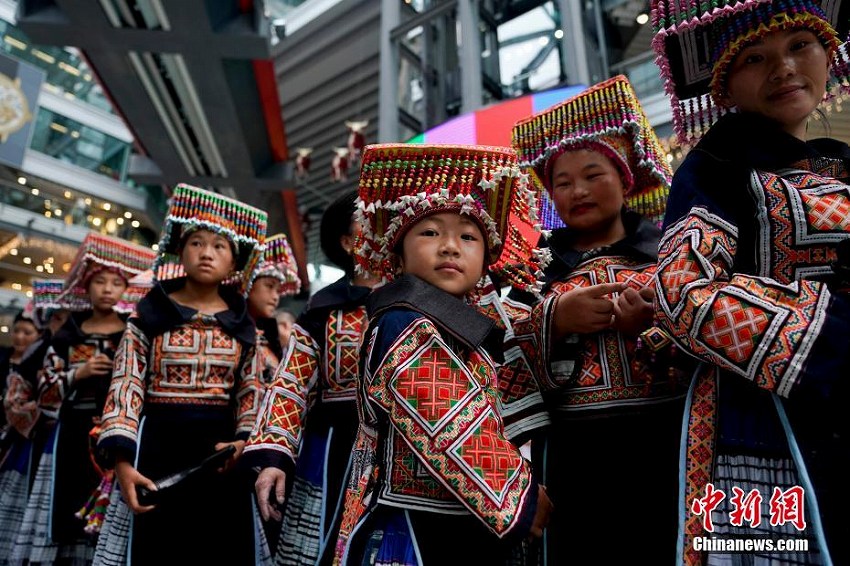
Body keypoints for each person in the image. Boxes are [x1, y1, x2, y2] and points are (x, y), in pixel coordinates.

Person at [651, 0, 850, 562]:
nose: (784, 68)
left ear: (829, 54)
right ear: (724, 87)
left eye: (799, 46)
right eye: (755, 58)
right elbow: (681, 292)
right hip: (763, 420)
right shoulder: (716, 166)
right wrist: (830, 341)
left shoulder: (838, 162)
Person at [330, 143, 553, 564]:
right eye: (430, 233)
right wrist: (518, 497)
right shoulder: (399, 320)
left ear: (486, 260)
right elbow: (445, 417)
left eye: (468, 236)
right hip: (412, 526)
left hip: (466, 522)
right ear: (398, 254)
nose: (450, 246)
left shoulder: (473, 321)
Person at [507, 75, 686, 564]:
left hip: (667, 440)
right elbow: (500, 356)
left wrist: (649, 330)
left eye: (593, 175)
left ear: (626, 180)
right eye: (562, 183)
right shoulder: (534, 271)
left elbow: (710, 339)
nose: (578, 191)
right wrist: (554, 319)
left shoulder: (671, 255)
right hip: (572, 453)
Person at [92, 184, 269, 565]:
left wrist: (243, 442)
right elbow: (125, 386)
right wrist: (122, 462)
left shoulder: (244, 328)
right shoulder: (147, 317)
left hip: (221, 458)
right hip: (155, 450)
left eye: (219, 246)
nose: (206, 252)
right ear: (180, 251)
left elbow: (252, 393)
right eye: (196, 243)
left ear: (234, 263)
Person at [245, 189, 381, 565]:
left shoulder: (418, 299)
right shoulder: (323, 309)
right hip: (332, 448)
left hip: (400, 450)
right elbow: (291, 382)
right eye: (368, 224)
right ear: (347, 242)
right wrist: (274, 455)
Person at [11, 234, 155, 565]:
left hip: (116, 436)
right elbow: (44, 391)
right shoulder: (66, 336)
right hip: (70, 433)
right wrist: (79, 373)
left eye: (115, 283)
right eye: (99, 282)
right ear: (86, 288)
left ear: (125, 290)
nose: (107, 289)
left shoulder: (133, 333)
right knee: (65, 505)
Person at [0, 309, 43, 561]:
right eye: (17, 331)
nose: (19, 337)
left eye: (27, 332)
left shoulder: (38, 362)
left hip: (23, 439)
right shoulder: (3, 358)